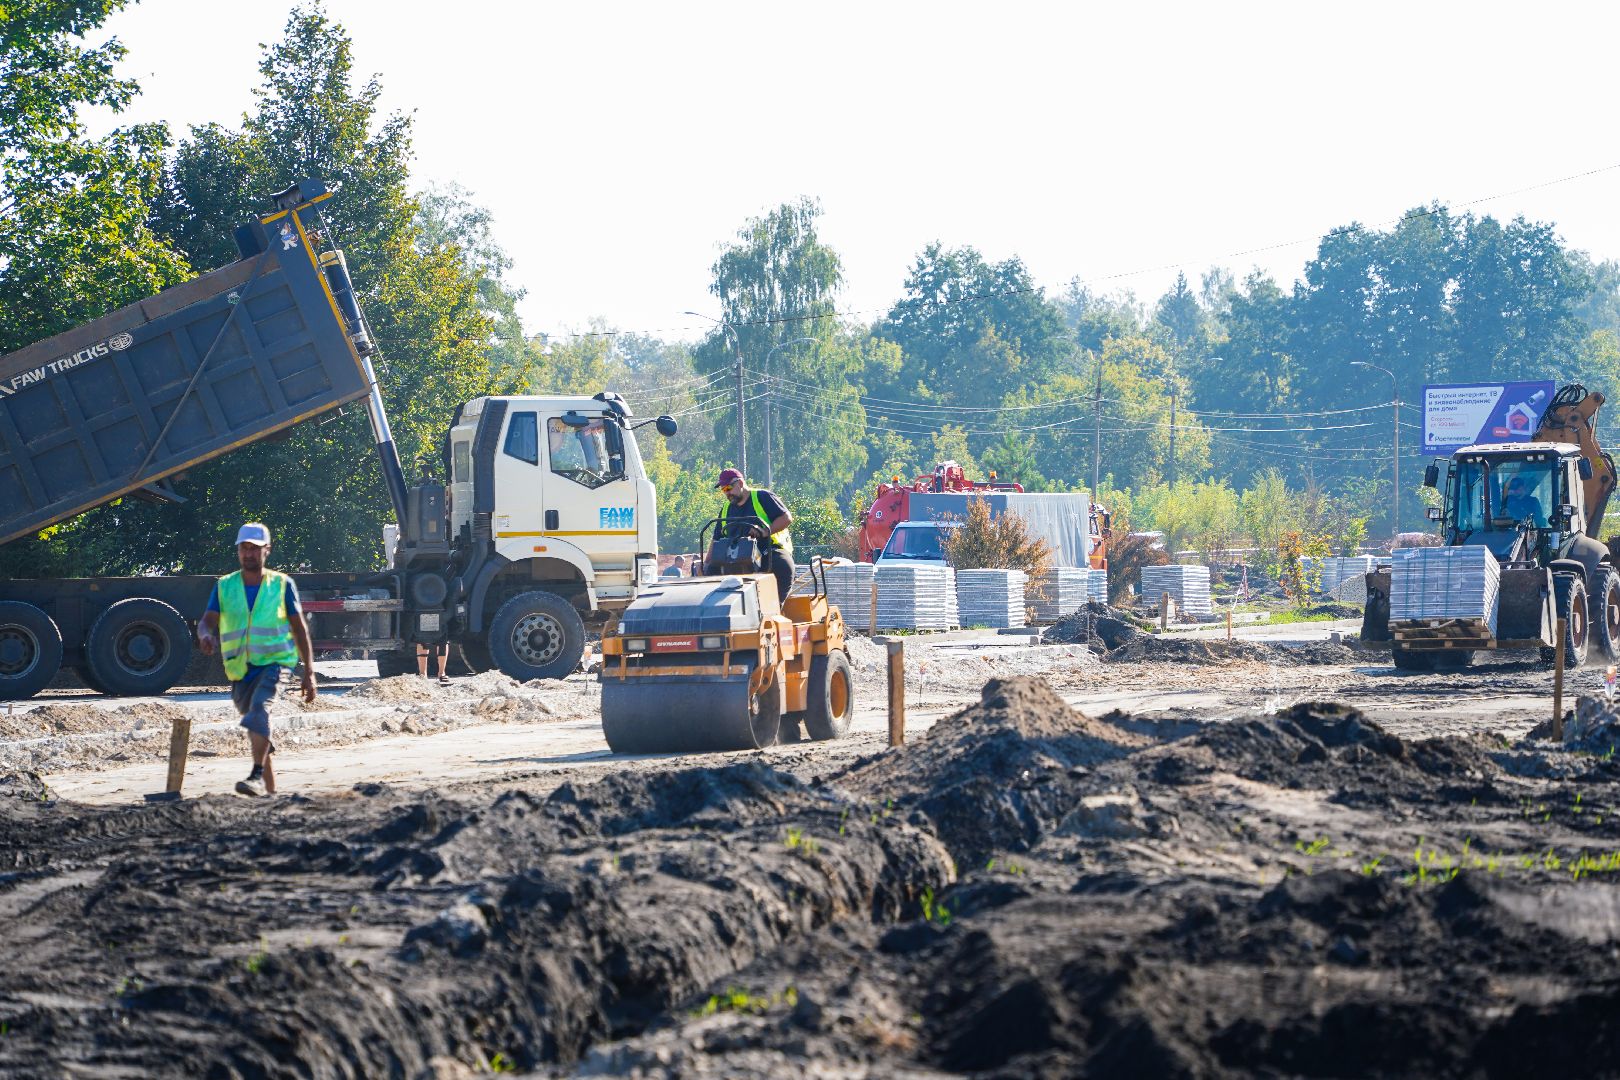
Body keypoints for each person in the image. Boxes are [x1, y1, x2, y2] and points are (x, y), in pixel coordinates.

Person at [197, 522, 316, 797]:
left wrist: (309, 671)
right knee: (256, 728)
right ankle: (272, 798)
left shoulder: (281, 585)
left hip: (276, 664)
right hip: (240, 670)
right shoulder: (225, 586)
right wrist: (205, 635)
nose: (249, 554)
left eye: (255, 549)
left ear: (267, 551)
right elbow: (206, 622)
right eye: (244, 548)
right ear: (238, 551)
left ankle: (255, 776)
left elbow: (299, 629)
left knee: (260, 711)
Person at [715, 468, 795, 601]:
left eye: (728, 488)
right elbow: (716, 539)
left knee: (782, 565)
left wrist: (764, 531)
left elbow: (786, 518)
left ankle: (773, 611)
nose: (727, 493)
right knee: (711, 569)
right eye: (723, 490)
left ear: (740, 483)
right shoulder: (725, 509)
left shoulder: (763, 497)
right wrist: (705, 565)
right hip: (736, 558)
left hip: (769, 551)